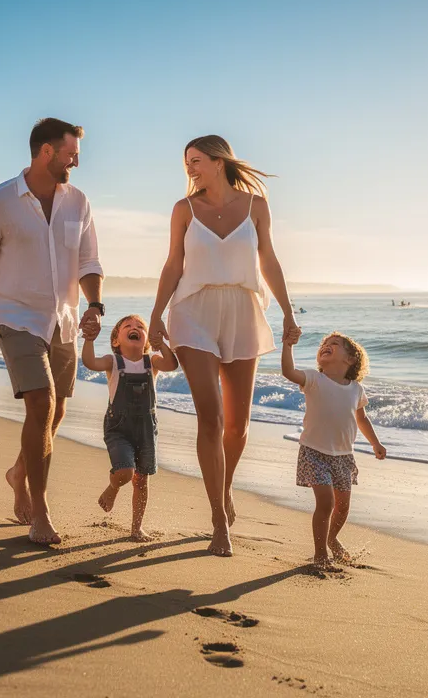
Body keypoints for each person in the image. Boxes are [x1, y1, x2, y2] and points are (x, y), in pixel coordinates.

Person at [149, 135, 299, 557]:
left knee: (238, 425)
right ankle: (218, 518)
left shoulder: (256, 208)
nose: (190, 170)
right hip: (193, 311)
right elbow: (173, 264)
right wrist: (157, 313)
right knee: (211, 419)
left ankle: (225, 488)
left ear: (219, 162)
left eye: (196, 161)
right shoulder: (184, 210)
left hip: (242, 309)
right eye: (187, 163)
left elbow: (268, 260)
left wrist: (287, 312)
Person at [0, 118, 103, 545]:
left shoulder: (79, 202)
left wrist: (94, 305)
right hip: (14, 315)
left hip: (64, 320)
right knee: (40, 405)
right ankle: (40, 511)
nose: (76, 160)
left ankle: (19, 471)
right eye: (70, 153)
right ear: (45, 152)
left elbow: (89, 263)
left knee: (55, 412)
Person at [280, 330, 386, 568]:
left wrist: (375, 443)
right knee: (326, 502)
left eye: (334, 344)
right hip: (314, 452)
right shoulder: (314, 379)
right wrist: (288, 346)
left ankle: (332, 538)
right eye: (324, 343)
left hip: (343, 456)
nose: (326, 345)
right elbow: (288, 372)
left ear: (350, 360)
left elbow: (362, 418)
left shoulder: (356, 389)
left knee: (343, 505)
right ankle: (320, 554)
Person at [81, 314, 177, 542]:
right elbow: (89, 362)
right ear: (116, 340)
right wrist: (89, 339)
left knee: (141, 480)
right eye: (128, 326)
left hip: (146, 429)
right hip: (119, 428)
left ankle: (136, 528)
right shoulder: (112, 362)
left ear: (145, 341)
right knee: (126, 472)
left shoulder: (152, 362)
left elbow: (172, 364)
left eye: (140, 327)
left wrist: (161, 343)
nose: (135, 328)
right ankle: (113, 487)